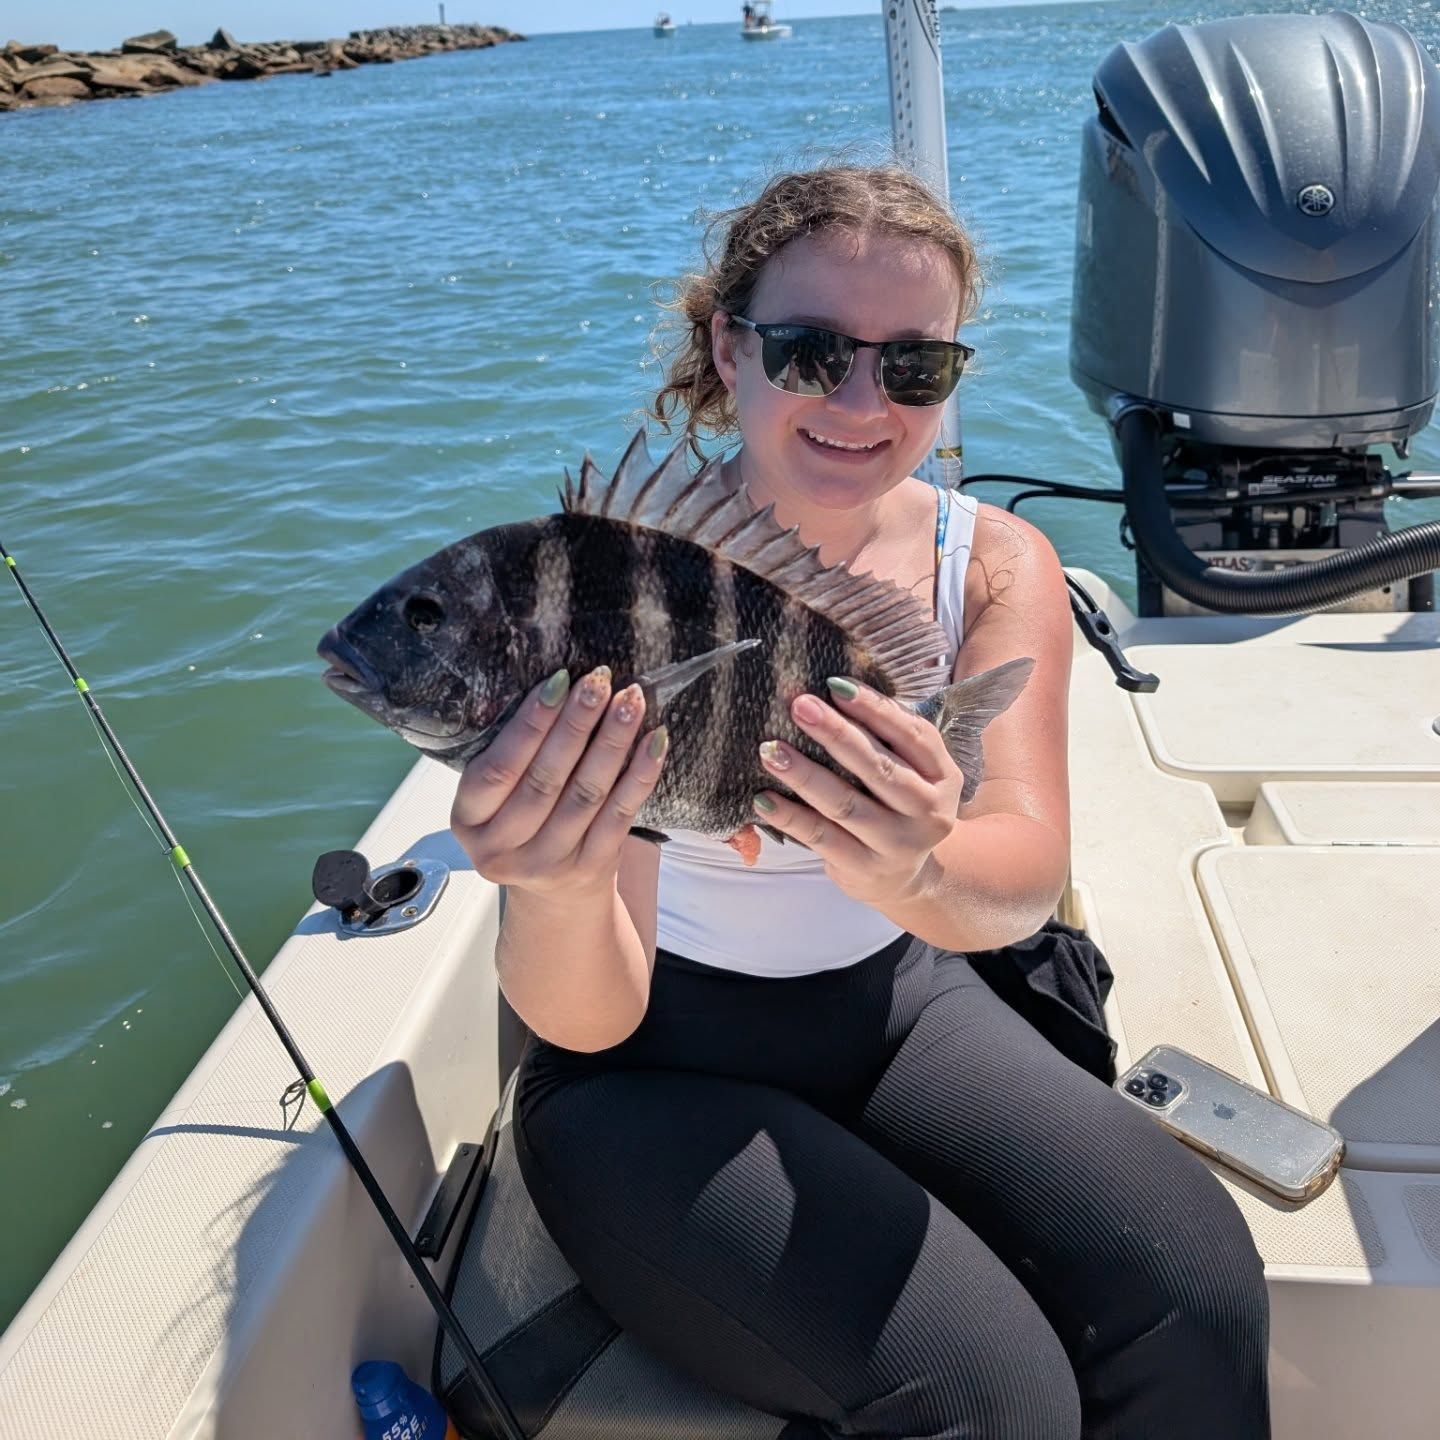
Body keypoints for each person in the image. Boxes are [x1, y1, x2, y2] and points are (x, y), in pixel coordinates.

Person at [449, 165, 1270, 1439]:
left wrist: (913, 872)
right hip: (645, 1080)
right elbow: (590, 1018)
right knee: (996, 1407)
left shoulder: (994, 564)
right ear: (730, 349)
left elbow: (1022, 871)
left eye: (913, 368)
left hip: (896, 1003)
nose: (857, 400)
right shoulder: (622, 589)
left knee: (1198, 1285)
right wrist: (553, 876)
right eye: (810, 349)